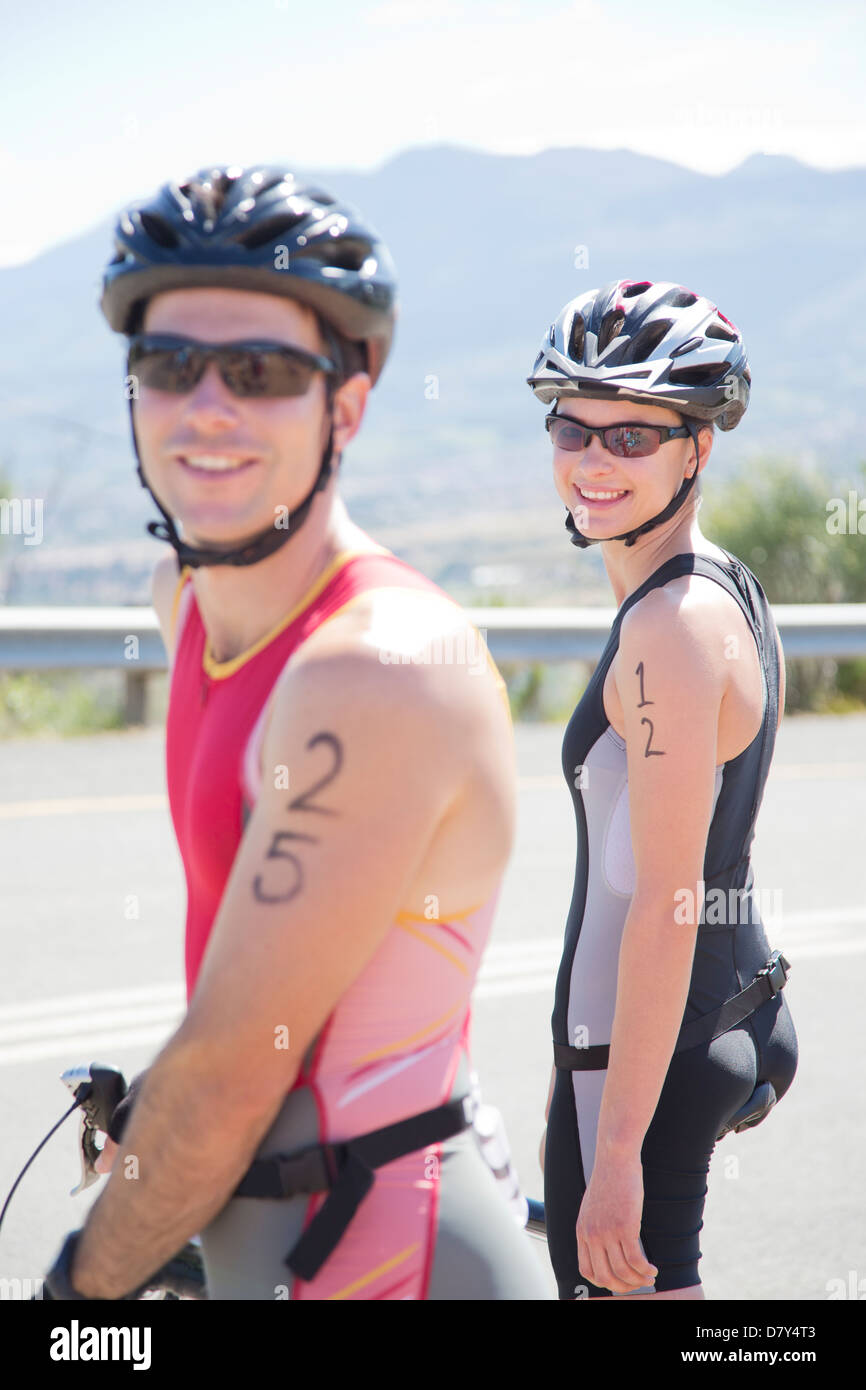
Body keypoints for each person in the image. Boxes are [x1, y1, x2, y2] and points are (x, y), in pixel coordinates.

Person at [44, 165, 548, 1300]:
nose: (208, 405)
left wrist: (75, 1300)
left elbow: (227, 1076)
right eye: (168, 366)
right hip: (254, 1236)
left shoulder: (376, 668)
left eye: (262, 371)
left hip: (382, 1256)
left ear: (347, 406)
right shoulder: (187, 606)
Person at [527, 279, 798, 1301]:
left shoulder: (667, 629)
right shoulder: (719, 580)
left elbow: (662, 902)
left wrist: (613, 1160)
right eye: (571, 427)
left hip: (645, 1055)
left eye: (632, 437)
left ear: (698, 445)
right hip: (729, 1004)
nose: (593, 462)